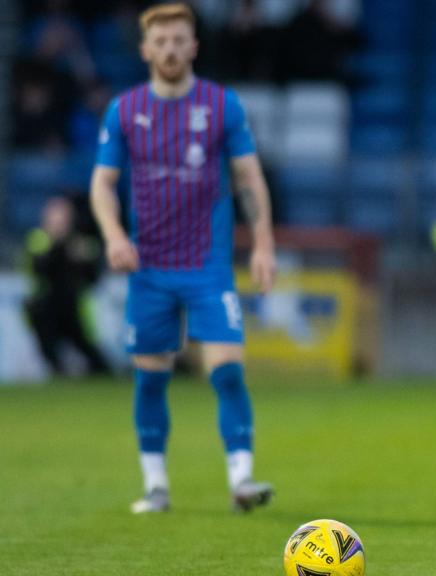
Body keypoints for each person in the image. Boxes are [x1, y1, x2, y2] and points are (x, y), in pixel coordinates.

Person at [89, 3, 277, 514]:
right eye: (161, 41)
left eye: (179, 40)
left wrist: (262, 243)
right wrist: (111, 236)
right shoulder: (124, 111)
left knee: (227, 372)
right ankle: (156, 486)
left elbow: (248, 178)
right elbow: (103, 184)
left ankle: (242, 479)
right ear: (146, 49)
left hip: (207, 265)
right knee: (151, 377)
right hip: (148, 268)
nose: (170, 49)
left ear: (193, 46)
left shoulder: (222, 106)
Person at [23, 196, 110, 376]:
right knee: (49, 347)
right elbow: (39, 269)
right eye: (55, 215)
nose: (59, 221)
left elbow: (93, 277)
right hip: (46, 307)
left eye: (63, 216)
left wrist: (84, 257)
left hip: (73, 305)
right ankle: (57, 371)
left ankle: (100, 373)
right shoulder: (37, 239)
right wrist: (60, 245)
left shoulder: (82, 242)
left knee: (91, 352)